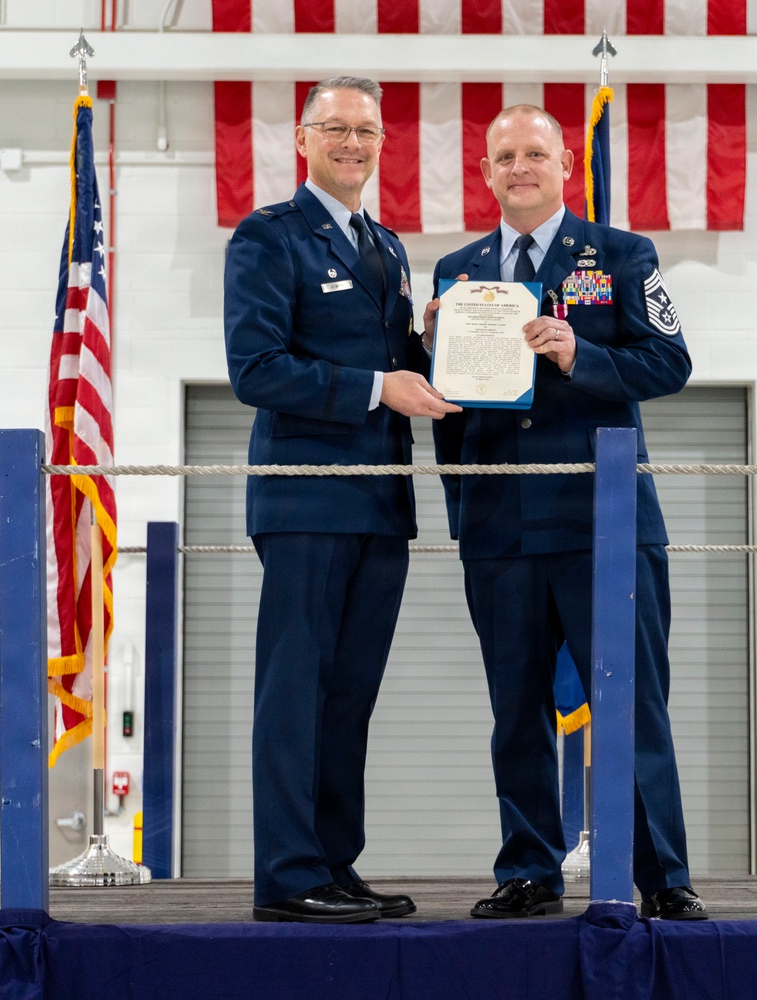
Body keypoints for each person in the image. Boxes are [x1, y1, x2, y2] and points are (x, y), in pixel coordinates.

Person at [424, 104, 707, 921]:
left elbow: (670, 361)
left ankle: (663, 876)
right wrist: (426, 341)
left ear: (565, 165)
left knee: (632, 701)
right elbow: (447, 399)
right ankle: (528, 871)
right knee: (515, 709)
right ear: (484, 171)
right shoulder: (458, 270)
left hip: (602, 524)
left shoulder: (619, 255)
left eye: (535, 153)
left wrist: (579, 354)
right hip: (501, 527)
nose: (520, 166)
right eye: (504, 154)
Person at [224, 76, 460, 924]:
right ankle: (287, 874)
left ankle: (333, 862)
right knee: (295, 691)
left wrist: (448, 343)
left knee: (348, 694)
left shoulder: (388, 248)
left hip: (381, 501)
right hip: (306, 499)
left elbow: (402, 369)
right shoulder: (267, 238)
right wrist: (374, 386)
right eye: (336, 129)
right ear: (302, 138)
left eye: (366, 131)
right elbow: (255, 370)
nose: (352, 143)